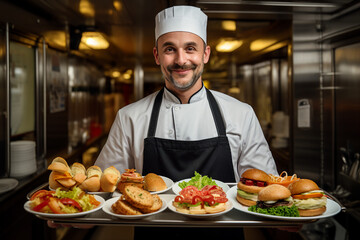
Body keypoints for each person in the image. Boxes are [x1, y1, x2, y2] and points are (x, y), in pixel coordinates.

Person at [95, 5, 278, 183]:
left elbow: (264, 189)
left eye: (190, 48)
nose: (181, 60)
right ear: (157, 56)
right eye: (169, 49)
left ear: (205, 54)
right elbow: (105, 187)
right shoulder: (129, 118)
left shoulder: (241, 115)